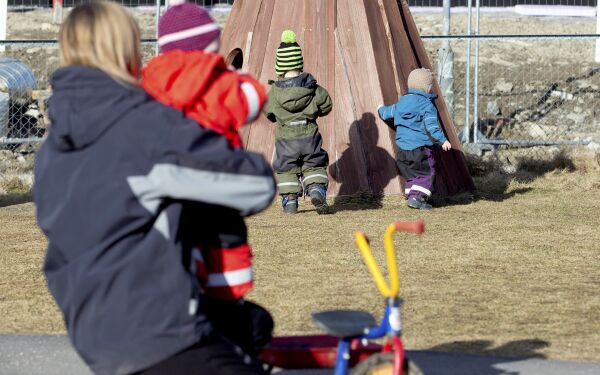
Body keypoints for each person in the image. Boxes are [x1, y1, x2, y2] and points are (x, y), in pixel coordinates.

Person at [33, 2, 275, 375]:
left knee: (253, 327)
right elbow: (253, 186)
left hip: (90, 328)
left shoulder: (54, 145)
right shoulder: (141, 125)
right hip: (158, 325)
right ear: (128, 51)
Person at [141, 0, 272, 357]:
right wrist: (229, 74)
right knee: (223, 244)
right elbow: (254, 99)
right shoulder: (219, 85)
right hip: (217, 185)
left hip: (170, 191)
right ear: (209, 47)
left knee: (184, 244)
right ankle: (227, 301)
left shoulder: (150, 83)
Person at [263, 30, 333, 214]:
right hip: (309, 136)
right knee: (314, 164)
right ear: (299, 63)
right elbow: (326, 105)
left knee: (286, 169)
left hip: (286, 140)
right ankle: (316, 188)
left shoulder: (274, 92)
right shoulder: (313, 88)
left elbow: (268, 111)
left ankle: (290, 201)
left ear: (279, 67)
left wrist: (277, 116)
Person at [377, 68, 452, 210]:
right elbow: (432, 127)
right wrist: (443, 141)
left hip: (403, 150)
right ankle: (417, 198)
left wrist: (380, 109)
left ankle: (413, 196)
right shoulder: (426, 105)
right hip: (420, 148)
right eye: (430, 86)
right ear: (426, 87)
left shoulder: (402, 103)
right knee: (427, 172)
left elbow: (387, 113)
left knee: (412, 174)